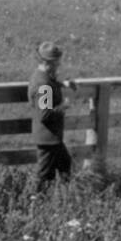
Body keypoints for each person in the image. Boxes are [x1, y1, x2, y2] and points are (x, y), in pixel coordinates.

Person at [28, 41, 78, 193]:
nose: (58, 64)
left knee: (64, 167)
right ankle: (33, 202)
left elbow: (50, 83)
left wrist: (62, 84)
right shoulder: (44, 85)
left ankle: (60, 199)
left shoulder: (41, 77)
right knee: (44, 175)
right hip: (48, 138)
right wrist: (64, 106)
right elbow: (45, 114)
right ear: (48, 62)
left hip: (50, 137)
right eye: (56, 61)